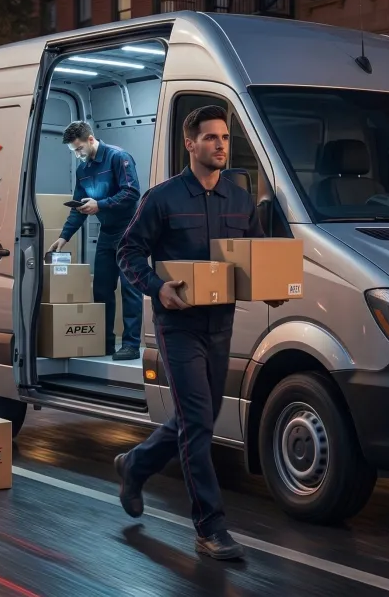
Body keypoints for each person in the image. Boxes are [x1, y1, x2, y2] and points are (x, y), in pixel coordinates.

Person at [113, 105, 286, 561]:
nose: (221, 145)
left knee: (199, 421)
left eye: (225, 137)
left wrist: (269, 288)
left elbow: (251, 259)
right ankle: (210, 527)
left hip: (220, 324)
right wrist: (156, 287)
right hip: (179, 326)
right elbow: (127, 251)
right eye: (211, 137)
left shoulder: (240, 200)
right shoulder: (162, 198)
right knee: (197, 423)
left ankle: (135, 464)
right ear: (190, 144)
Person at [48, 121, 143, 360]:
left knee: (130, 289)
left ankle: (131, 345)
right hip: (107, 233)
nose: (77, 154)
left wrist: (100, 204)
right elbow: (79, 206)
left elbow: (132, 192)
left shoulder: (118, 157)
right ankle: (105, 342)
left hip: (129, 232)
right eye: (73, 151)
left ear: (91, 139)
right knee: (101, 289)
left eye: (79, 148)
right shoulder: (83, 170)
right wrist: (64, 236)